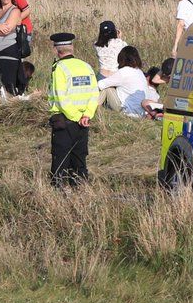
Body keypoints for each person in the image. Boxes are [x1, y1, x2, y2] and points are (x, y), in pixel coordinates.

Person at [47, 32, 98, 187]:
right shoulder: (86, 66)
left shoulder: (59, 68)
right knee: (79, 159)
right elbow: (94, 93)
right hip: (84, 122)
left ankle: (58, 191)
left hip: (65, 121)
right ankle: (80, 190)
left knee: (60, 159)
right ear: (72, 48)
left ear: (56, 50)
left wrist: (75, 117)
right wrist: (86, 115)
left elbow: (61, 97)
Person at [97, 46, 160, 118]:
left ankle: (93, 107)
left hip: (126, 111)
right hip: (140, 113)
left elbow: (101, 85)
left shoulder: (124, 71)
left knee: (107, 88)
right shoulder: (140, 72)